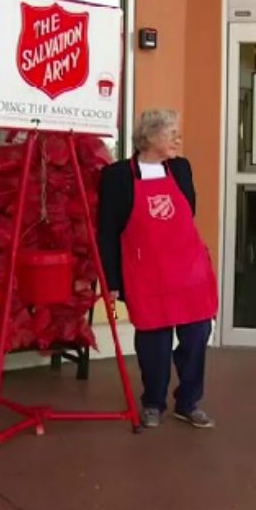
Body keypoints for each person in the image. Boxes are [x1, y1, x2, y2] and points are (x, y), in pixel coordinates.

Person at [96, 109, 218, 429]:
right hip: (147, 274)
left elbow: (188, 211)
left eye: (178, 132)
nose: (178, 138)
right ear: (149, 138)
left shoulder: (180, 168)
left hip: (189, 270)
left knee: (197, 335)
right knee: (154, 343)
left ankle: (188, 401)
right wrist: (110, 279)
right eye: (171, 133)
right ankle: (153, 401)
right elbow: (107, 231)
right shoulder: (117, 176)